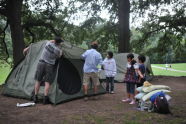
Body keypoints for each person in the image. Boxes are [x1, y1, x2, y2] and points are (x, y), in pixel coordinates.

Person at [24, 36, 64, 104]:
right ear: (59, 43)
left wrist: (54, 41)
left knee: (38, 80)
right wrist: (60, 48)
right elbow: (60, 56)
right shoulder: (58, 50)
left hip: (41, 63)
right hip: (50, 65)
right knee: (47, 82)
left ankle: (35, 97)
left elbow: (50, 40)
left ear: (54, 40)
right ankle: (45, 99)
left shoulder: (48, 44)